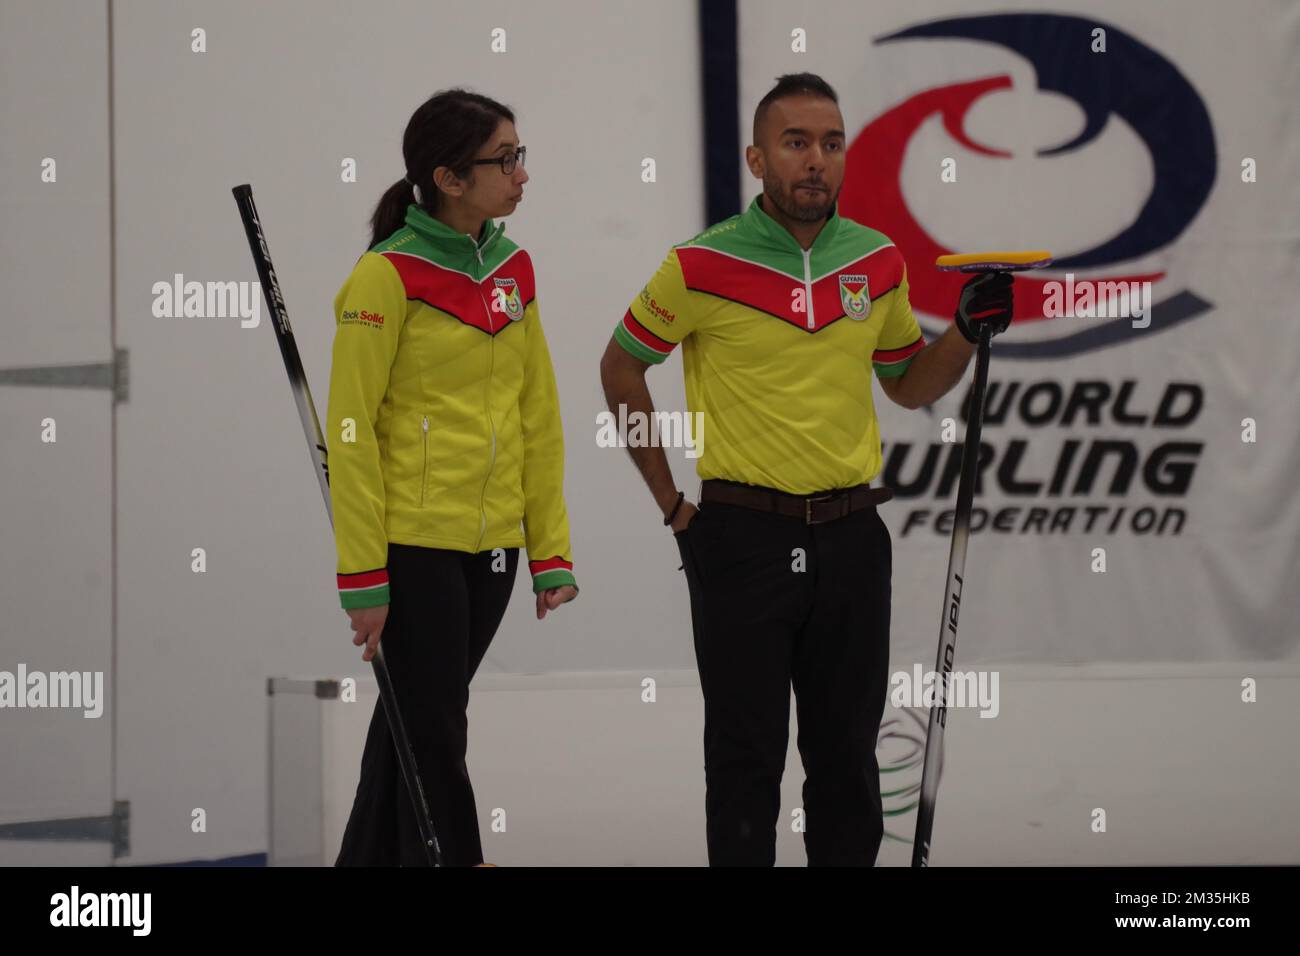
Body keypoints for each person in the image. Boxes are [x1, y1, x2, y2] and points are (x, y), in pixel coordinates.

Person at [599, 73, 1012, 866]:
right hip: (739, 538)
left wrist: (964, 329)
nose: (816, 160)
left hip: (855, 538)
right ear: (757, 158)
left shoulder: (878, 260)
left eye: (831, 144)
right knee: (747, 763)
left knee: (847, 762)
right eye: (796, 143)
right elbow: (621, 369)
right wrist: (672, 506)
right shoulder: (698, 262)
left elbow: (909, 381)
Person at [328, 88, 579, 867]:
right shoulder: (384, 276)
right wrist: (363, 575)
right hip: (414, 543)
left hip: (495, 548)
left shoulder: (513, 268)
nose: (521, 174)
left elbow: (538, 413)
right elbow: (350, 432)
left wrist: (551, 549)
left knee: (414, 724)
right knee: (435, 728)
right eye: (504, 160)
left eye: (520, 155)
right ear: (449, 178)